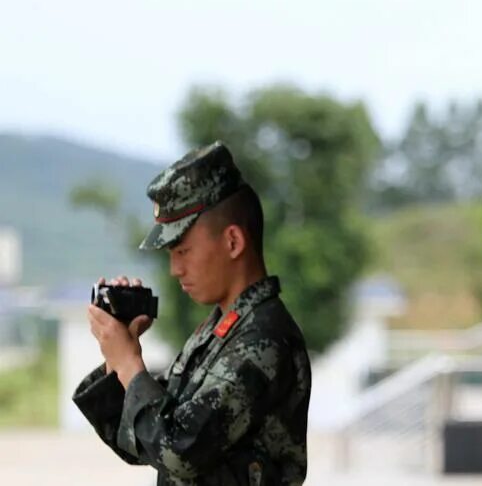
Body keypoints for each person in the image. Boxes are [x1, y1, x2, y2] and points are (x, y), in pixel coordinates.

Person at [73, 141, 312, 486]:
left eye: (183, 250)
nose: (175, 269)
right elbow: (144, 441)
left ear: (232, 242)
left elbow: (177, 451)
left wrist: (128, 364)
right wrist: (121, 355)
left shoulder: (263, 339)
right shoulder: (221, 330)